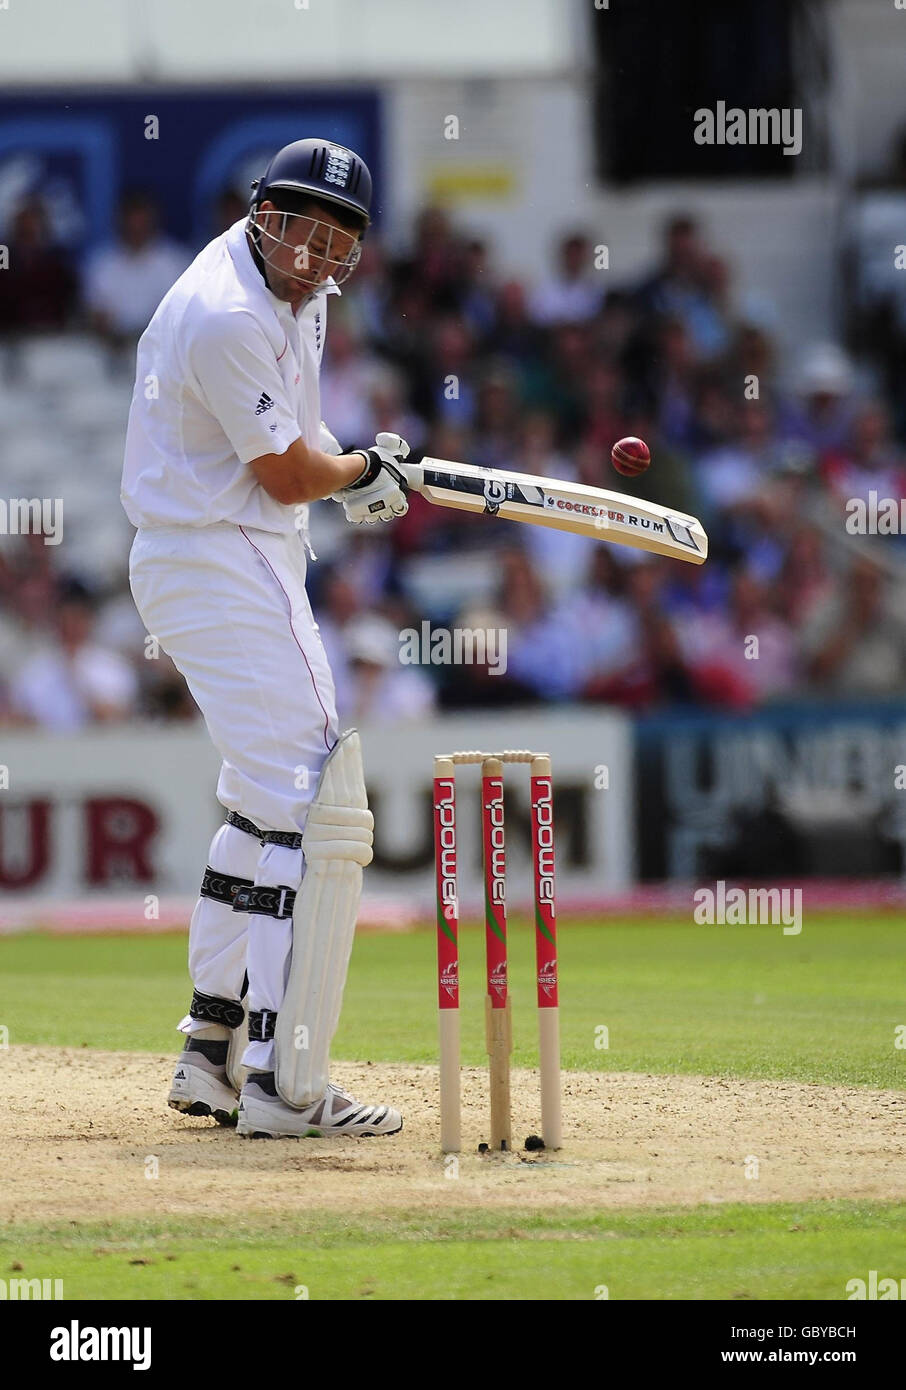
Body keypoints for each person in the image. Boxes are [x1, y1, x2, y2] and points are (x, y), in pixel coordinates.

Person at [122, 139, 412, 1139]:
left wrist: (365, 470)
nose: (312, 254)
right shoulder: (227, 311)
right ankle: (285, 1082)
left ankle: (212, 1051)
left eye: (335, 241)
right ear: (261, 213)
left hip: (239, 549)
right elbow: (290, 476)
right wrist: (359, 468)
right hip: (215, 551)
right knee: (312, 788)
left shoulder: (306, 299)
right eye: (299, 226)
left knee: (261, 796)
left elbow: (306, 448)